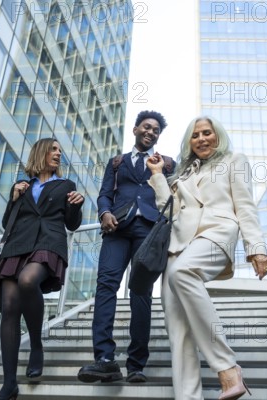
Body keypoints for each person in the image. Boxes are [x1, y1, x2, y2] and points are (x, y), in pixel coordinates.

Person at [146, 116, 267, 400]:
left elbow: (245, 205)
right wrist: (157, 175)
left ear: (218, 136)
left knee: (183, 273)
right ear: (189, 141)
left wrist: (257, 247)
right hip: (178, 245)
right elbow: (171, 211)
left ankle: (227, 368)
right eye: (195, 135)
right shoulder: (183, 174)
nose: (202, 139)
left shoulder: (234, 160)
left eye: (207, 133)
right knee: (178, 331)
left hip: (216, 233)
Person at [77, 110, 175, 384]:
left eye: (156, 130)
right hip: (117, 228)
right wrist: (104, 213)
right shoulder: (117, 163)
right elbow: (105, 193)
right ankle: (104, 358)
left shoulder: (167, 164)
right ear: (135, 130)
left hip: (150, 230)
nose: (151, 132)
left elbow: (173, 198)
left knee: (140, 292)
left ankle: (136, 364)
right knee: (106, 285)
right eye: (146, 127)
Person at [0, 138, 84, 400]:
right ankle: (9, 385)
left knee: (28, 281)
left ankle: (35, 345)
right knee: (9, 307)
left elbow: (72, 224)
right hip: (17, 244)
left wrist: (76, 205)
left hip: (48, 242)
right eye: (53, 149)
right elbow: (6, 222)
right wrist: (13, 199)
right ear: (41, 153)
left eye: (60, 151)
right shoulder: (22, 185)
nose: (58, 154)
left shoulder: (66, 185)